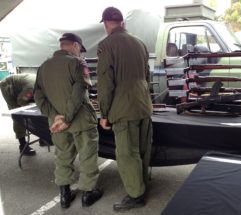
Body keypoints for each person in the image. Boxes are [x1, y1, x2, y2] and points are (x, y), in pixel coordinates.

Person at [34, 33, 103, 208]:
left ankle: (65, 195)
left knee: (62, 156)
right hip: (81, 121)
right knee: (87, 155)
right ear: (75, 45)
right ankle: (88, 194)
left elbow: (38, 95)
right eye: (80, 49)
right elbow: (79, 92)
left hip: (56, 123)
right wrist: (68, 117)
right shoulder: (77, 63)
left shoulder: (43, 66)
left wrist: (55, 115)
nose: (80, 53)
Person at [97, 7, 153, 212]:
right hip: (143, 105)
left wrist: (104, 114)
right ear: (123, 22)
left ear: (105, 24)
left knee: (128, 154)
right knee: (143, 148)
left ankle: (136, 195)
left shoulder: (106, 45)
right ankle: (143, 183)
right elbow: (147, 76)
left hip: (123, 108)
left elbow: (105, 84)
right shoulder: (140, 43)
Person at [0, 73, 37, 156]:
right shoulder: (32, 87)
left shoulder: (43, 84)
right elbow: (21, 101)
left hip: (22, 87)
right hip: (8, 86)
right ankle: (23, 145)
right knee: (18, 115)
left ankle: (42, 137)